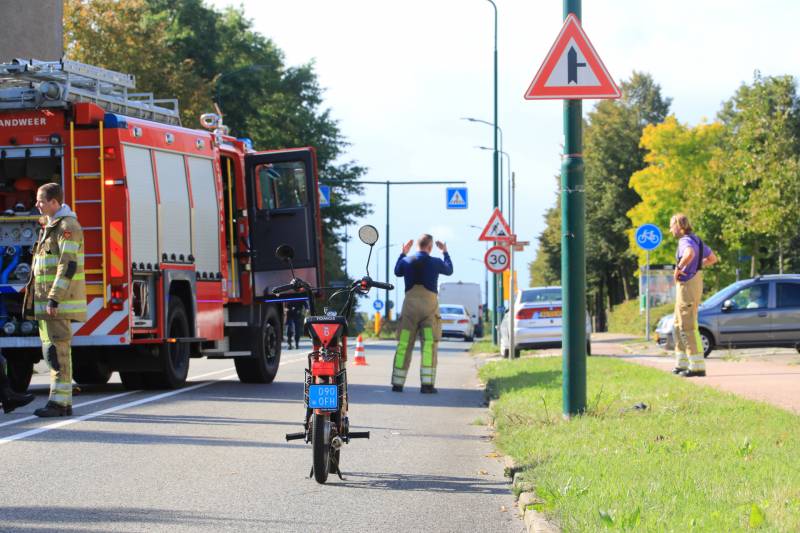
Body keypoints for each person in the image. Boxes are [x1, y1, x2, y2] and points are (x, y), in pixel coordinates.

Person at [23, 183, 86, 417]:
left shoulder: (67, 227)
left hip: (57, 305)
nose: (37, 204)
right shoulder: (51, 226)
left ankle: (59, 404)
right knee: (52, 352)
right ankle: (60, 401)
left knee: (58, 353)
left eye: (41, 200)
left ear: (54, 202)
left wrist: (53, 299)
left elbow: (67, 265)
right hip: (47, 305)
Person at [390, 234, 453, 393]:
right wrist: (445, 252)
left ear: (416, 246)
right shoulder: (436, 262)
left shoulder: (406, 261)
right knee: (429, 346)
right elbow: (449, 270)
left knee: (404, 343)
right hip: (428, 309)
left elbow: (397, 272)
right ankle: (427, 385)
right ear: (430, 247)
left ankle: (397, 383)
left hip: (410, 307)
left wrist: (403, 253)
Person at [669, 213, 717, 378]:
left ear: (680, 226)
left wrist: (679, 268)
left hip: (687, 285)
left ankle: (697, 366)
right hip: (694, 282)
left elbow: (689, 253)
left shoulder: (685, 241)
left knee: (687, 326)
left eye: (671, 226)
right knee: (677, 324)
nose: (670, 230)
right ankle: (682, 363)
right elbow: (712, 258)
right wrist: (697, 264)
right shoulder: (697, 239)